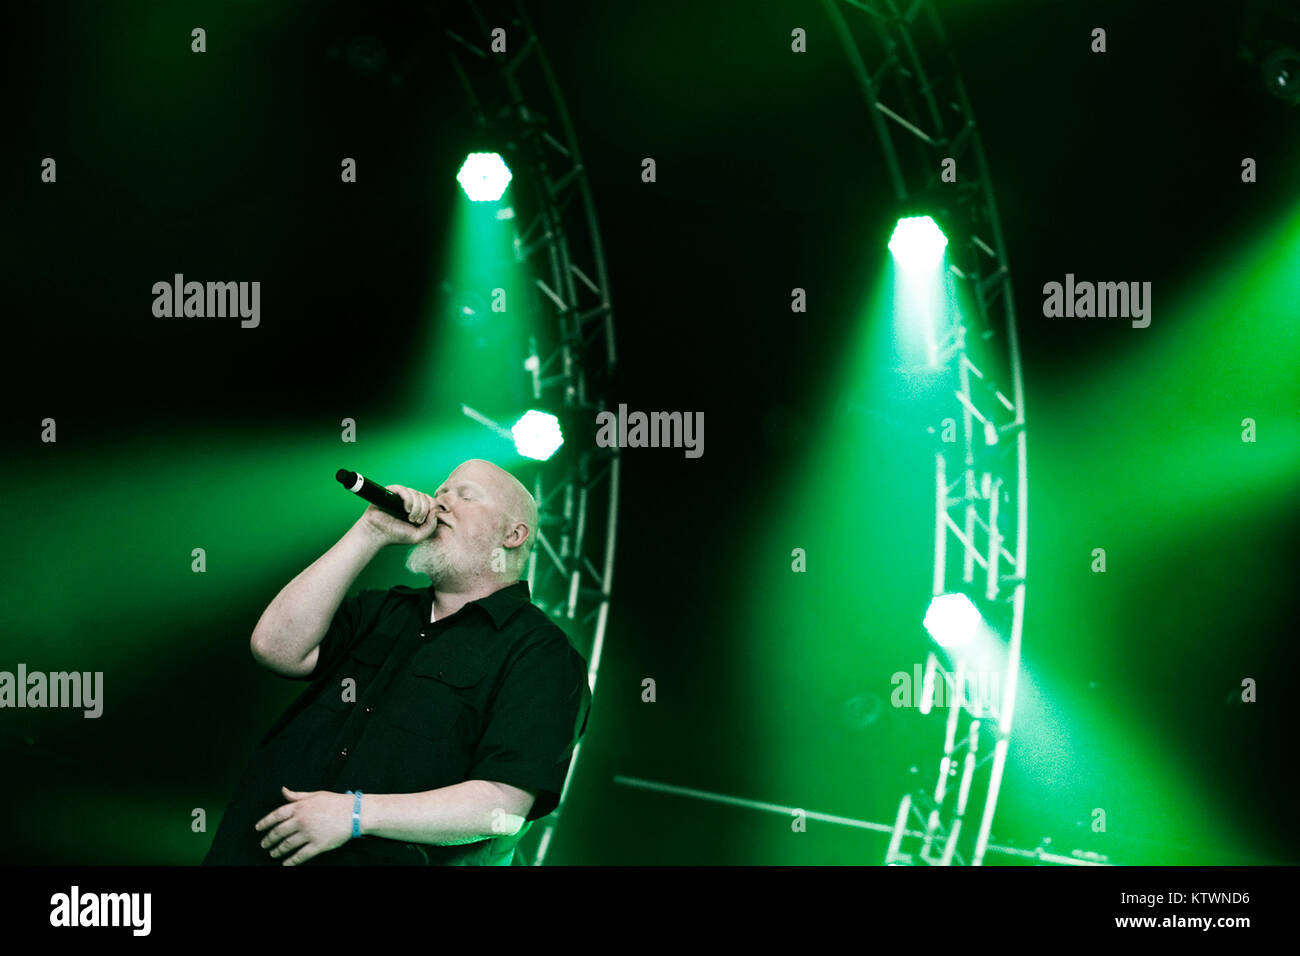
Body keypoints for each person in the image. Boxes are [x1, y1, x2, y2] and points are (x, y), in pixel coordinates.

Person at [201, 459, 591, 865]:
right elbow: (275, 648)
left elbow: (503, 807)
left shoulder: (541, 653)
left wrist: (354, 814)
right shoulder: (382, 608)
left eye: (465, 495)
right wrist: (370, 532)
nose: (441, 503)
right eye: (440, 491)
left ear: (513, 534)